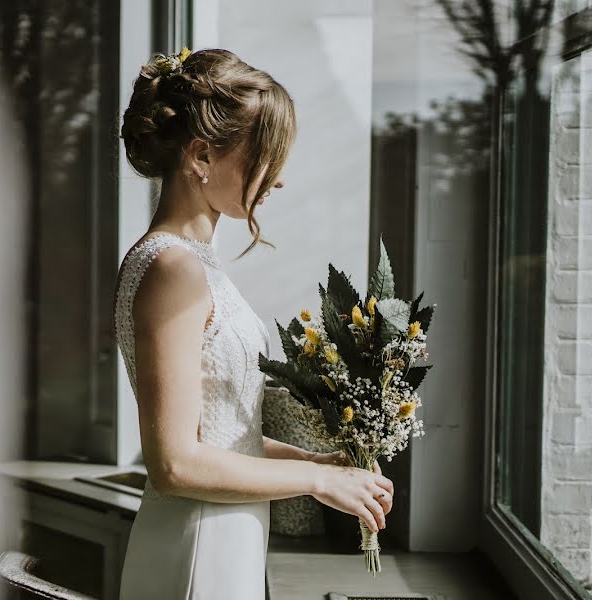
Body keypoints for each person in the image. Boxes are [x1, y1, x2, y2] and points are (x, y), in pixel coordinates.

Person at [113, 47, 394, 600]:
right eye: (265, 155)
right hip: (197, 547)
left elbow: (223, 437)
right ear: (200, 157)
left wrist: (318, 462)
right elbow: (174, 463)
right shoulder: (172, 268)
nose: (279, 179)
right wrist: (318, 480)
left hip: (225, 536)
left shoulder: (186, 262)